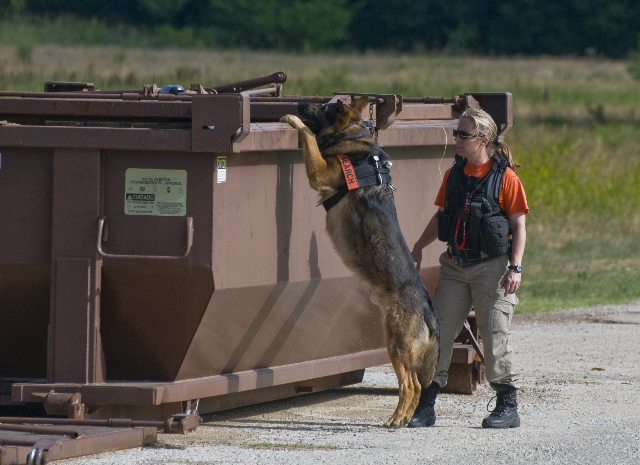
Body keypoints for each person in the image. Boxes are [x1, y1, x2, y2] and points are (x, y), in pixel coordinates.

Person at [409, 107, 528, 429]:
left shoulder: (506, 178)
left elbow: (519, 225)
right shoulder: (454, 175)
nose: (457, 140)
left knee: (494, 335)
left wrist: (514, 268)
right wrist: (418, 248)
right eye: (456, 133)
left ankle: (507, 404)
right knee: (438, 334)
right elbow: (442, 217)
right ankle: (426, 405)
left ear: (483, 140)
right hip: (455, 267)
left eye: (463, 134)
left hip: (492, 269)